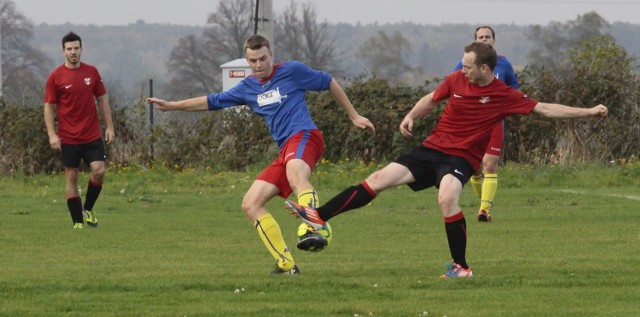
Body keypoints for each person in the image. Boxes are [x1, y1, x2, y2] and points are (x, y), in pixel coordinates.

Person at [285, 41, 607, 278]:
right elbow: (431, 98)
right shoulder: (455, 81)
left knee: (447, 197)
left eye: (467, 65)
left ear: (484, 68)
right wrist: (411, 115)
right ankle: (319, 216)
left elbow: (545, 109)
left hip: (461, 157)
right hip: (432, 148)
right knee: (380, 179)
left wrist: (588, 112)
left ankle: (461, 268)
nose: (461, 69)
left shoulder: (503, 95)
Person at [147, 34, 375, 274]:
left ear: (271, 56)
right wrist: (173, 105)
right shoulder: (248, 87)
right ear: (248, 60)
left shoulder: (292, 71)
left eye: (263, 59)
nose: (258, 65)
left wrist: (354, 115)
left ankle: (313, 228)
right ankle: (286, 265)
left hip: (305, 136)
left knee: (296, 174)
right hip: (285, 150)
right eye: (253, 60)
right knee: (251, 203)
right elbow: (212, 101)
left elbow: (328, 81)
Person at [44, 31, 115, 229]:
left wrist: (109, 126)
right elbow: (49, 106)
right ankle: (77, 223)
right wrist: (52, 134)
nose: (73, 52)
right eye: (69, 49)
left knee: (99, 171)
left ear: (81, 49)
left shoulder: (91, 72)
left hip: (92, 134)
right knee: (72, 176)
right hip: (68, 137)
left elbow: (102, 99)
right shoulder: (56, 76)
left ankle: (89, 208)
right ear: (63, 51)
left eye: (76, 48)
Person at [452, 26, 519, 222]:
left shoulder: (504, 64)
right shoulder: (462, 64)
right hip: (471, 123)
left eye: (487, 36)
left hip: (495, 121)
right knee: (474, 168)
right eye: (480, 37)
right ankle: (485, 202)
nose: (484, 39)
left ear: (493, 40)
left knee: (490, 164)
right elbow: (453, 86)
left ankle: (484, 210)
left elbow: (514, 89)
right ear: (475, 40)